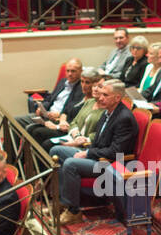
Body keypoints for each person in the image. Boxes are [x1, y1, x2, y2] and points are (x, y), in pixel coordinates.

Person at [57, 79, 138, 226]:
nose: (100, 98)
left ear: (117, 97)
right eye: (100, 94)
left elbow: (116, 151)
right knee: (56, 150)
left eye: (105, 95)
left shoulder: (123, 118)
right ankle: (63, 201)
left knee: (70, 164)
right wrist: (85, 148)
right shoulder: (107, 112)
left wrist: (87, 153)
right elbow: (99, 140)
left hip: (111, 163)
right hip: (98, 154)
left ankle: (74, 212)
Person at [27, 67, 104, 151]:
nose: (84, 85)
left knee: (39, 134)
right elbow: (66, 110)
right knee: (31, 128)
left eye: (87, 83)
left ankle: (38, 163)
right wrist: (62, 121)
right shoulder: (82, 95)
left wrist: (57, 127)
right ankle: (25, 162)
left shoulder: (96, 103)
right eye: (82, 81)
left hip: (71, 132)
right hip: (66, 127)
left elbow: (82, 127)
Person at [18, 58, 83, 130]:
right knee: (16, 121)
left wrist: (59, 114)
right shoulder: (63, 81)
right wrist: (42, 108)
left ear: (80, 71)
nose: (69, 74)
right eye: (68, 71)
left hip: (58, 120)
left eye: (73, 71)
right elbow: (50, 99)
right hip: (47, 115)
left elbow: (74, 109)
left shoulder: (81, 88)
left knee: (30, 128)